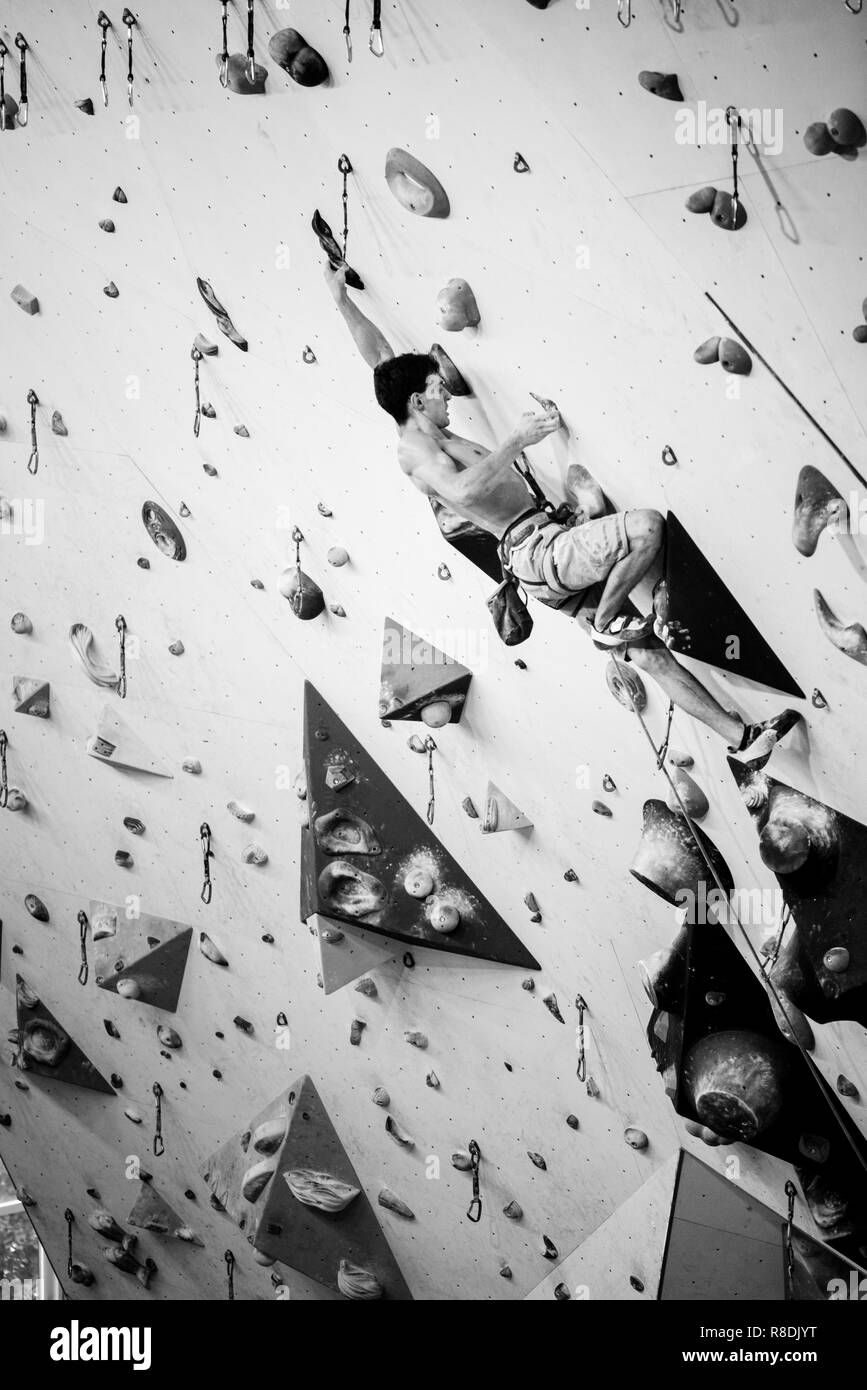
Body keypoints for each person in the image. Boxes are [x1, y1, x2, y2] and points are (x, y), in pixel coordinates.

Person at [325, 264, 801, 765]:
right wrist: (519, 439)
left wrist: (340, 299)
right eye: (437, 389)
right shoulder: (416, 450)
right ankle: (608, 618)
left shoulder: (418, 420)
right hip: (539, 551)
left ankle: (743, 740)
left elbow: (380, 358)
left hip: (541, 555)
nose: (447, 393)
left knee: (648, 655)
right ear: (417, 400)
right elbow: (463, 490)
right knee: (646, 529)